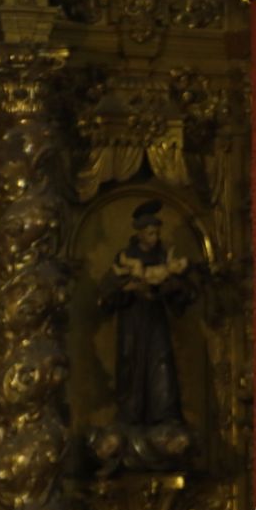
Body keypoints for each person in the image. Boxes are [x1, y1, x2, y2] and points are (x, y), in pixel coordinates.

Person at [96, 199, 201, 468]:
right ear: (141, 233)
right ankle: (130, 417)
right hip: (132, 323)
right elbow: (107, 293)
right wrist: (128, 288)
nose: (155, 237)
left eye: (157, 232)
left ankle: (165, 418)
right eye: (150, 233)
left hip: (156, 324)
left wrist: (169, 286)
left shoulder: (165, 258)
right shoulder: (126, 258)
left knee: (161, 364)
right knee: (131, 367)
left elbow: (183, 293)